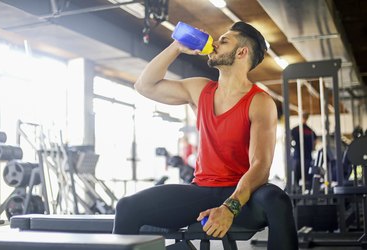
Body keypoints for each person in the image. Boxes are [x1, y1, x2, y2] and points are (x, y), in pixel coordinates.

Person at [113, 21, 298, 250]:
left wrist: (230, 207)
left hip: (243, 196)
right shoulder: (200, 89)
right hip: (201, 190)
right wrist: (177, 47)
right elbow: (144, 86)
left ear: (241, 52)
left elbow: (260, 166)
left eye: (224, 41)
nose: (215, 43)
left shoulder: (259, 102)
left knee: (277, 200)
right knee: (127, 207)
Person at [291, 112, 317, 190]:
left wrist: (293, 147)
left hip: (298, 157)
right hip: (307, 157)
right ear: (307, 118)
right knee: (308, 181)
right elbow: (314, 144)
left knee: (296, 182)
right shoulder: (311, 131)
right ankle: (307, 192)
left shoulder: (295, 129)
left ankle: (298, 191)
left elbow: (289, 140)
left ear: (301, 117)